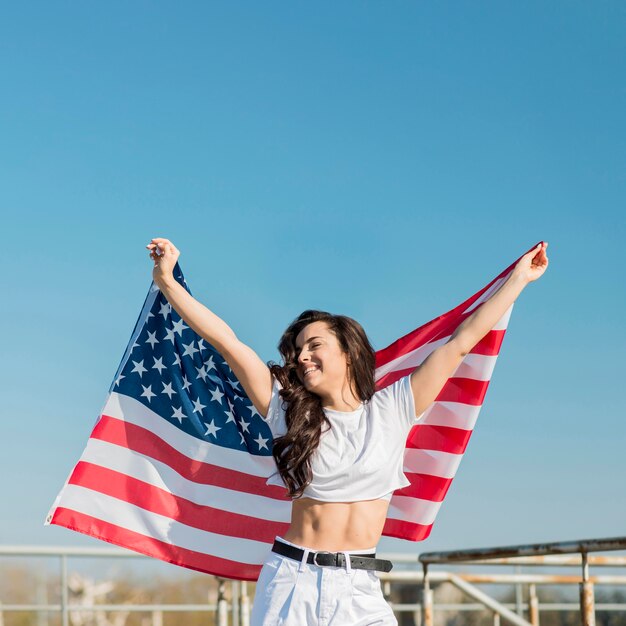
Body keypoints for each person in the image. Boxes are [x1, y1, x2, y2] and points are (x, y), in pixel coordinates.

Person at [146, 237, 549, 626]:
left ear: (348, 351)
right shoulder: (285, 410)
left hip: (360, 588)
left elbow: (460, 343)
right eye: (297, 350)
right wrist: (167, 282)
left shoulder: (395, 407)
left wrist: (519, 279)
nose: (302, 356)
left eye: (314, 345)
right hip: (292, 581)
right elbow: (228, 343)